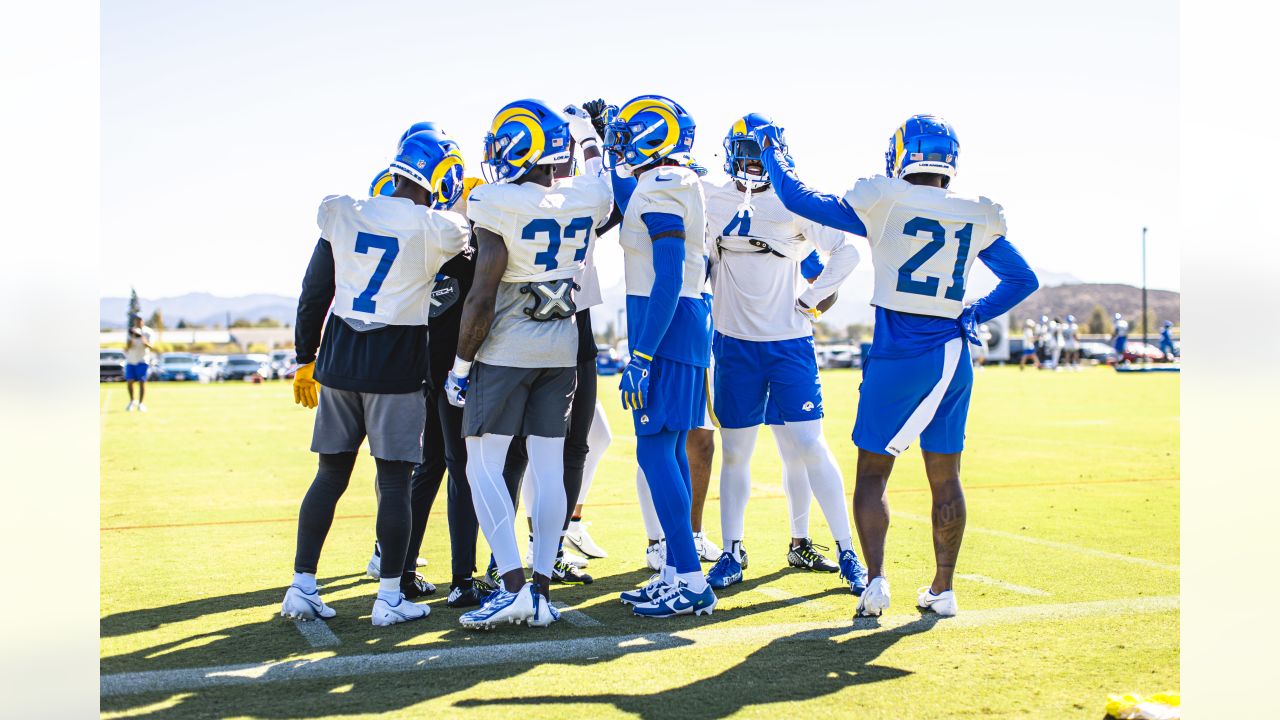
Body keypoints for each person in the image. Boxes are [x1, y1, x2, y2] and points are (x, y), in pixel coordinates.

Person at [752, 113, 1039, 617]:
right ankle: (943, 590)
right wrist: (972, 313)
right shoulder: (978, 212)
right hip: (953, 354)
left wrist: (774, 152)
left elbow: (799, 201)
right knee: (946, 475)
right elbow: (1022, 280)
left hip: (899, 353)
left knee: (872, 473)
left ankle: (877, 582)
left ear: (903, 152)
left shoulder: (883, 197)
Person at [280, 128, 469, 627]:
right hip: (396, 366)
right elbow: (462, 230)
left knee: (330, 475)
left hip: (339, 360)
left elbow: (313, 291)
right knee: (394, 481)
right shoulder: (439, 228)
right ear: (441, 174)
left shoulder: (343, 210)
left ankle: (302, 584)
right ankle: (388, 596)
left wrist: (305, 358)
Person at [445, 99, 612, 629]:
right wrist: (589, 138)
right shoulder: (588, 194)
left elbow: (481, 294)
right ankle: (541, 590)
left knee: (481, 465)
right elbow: (598, 173)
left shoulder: (495, 202)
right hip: (561, 348)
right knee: (549, 469)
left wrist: (459, 366)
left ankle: (513, 584)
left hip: (507, 349)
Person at [702, 113, 866, 594]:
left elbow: (848, 253)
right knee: (736, 454)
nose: (752, 162)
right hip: (733, 344)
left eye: (759, 151)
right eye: (745, 151)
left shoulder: (795, 203)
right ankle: (732, 550)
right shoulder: (711, 196)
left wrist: (812, 300)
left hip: (789, 344)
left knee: (809, 448)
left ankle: (845, 549)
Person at [364, 159, 502, 608]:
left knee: (424, 471)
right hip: (456, 371)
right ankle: (462, 577)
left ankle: (400, 570)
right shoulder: (459, 243)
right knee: (461, 467)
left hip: (416, 367)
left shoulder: (410, 243)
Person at [604, 94, 717, 618]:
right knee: (667, 449)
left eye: (629, 131)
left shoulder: (666, 184)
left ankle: (691, 580)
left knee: (653, 449)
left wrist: (643, 354)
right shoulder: (665, 182)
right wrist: (598, 149)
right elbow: (630, 199)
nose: (621, 140)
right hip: (679, 323)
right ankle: (674, 572)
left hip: (665, 326)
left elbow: (669, 272)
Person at [123, 315, 155, 411]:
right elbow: (127, 347)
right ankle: (132, 401)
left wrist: (143, 340)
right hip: (131, 360)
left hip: (142, 360)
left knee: (142, 381)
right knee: (130, 381)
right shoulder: (130, 331)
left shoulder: (148, 332)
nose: (137, 322)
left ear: (143, 320)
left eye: (139, 320)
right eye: (136, 320)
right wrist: (132, 337)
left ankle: (141, 404)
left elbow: (151, 346)